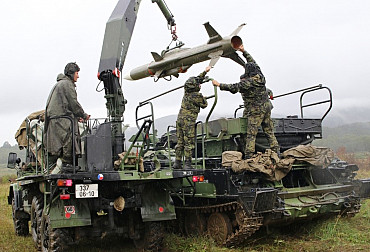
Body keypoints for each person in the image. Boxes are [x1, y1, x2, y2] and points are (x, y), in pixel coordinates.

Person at [212, 45, 279, 159]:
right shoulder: (261, 77)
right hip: (266, 107)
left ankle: (249, 155)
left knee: (251, 133)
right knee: (269, 130)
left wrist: (219, 85)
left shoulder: (248, 83)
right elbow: (253, 63)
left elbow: (234, 87)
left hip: (256, 110)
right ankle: (276, 151)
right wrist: (244, 52)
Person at [45, 62, 90, 168]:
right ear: (71, 73)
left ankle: (64, 164)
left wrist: (77, 116)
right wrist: (84, 115)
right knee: (69, 138)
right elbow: (73, 103)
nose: (78, 76)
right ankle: (67, 164)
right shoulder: (67, 84)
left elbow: (67, 105)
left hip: (56, 119)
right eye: (77, 73)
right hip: (62, 120)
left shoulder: (60, 84)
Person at [173, 66, 211, 169]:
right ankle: (188, 164)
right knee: (188, 142)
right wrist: (203, 97)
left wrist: (205, 71)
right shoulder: (196, 96)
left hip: (180, 119)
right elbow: (204, 104)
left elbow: (195, 80)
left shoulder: (186, 92)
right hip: (188, 121)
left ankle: (177, 162)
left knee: (180, 142)